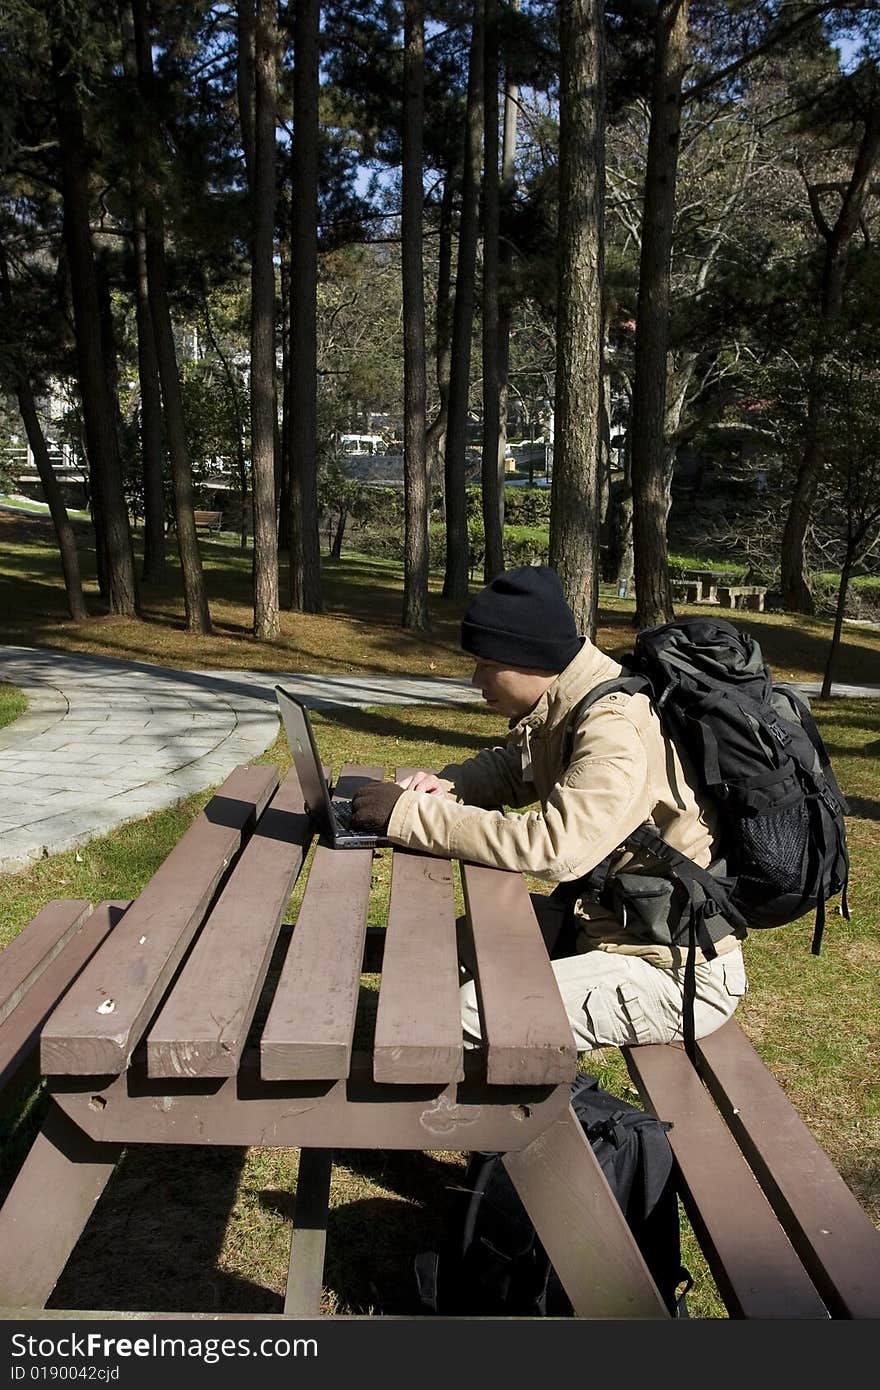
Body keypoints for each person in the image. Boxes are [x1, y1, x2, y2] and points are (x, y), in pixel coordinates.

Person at [349, 565, 748, 1051]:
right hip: (602, 927)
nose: (476, 681)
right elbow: (515, 772)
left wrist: (408, 817)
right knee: (434, 949)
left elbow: (556, 848)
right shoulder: (570, 700)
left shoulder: (612, 727)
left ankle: (473, 1124)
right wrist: (443, 785)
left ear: (528, 658)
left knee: (471, 1014)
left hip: (674, 973)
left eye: (485, 664)